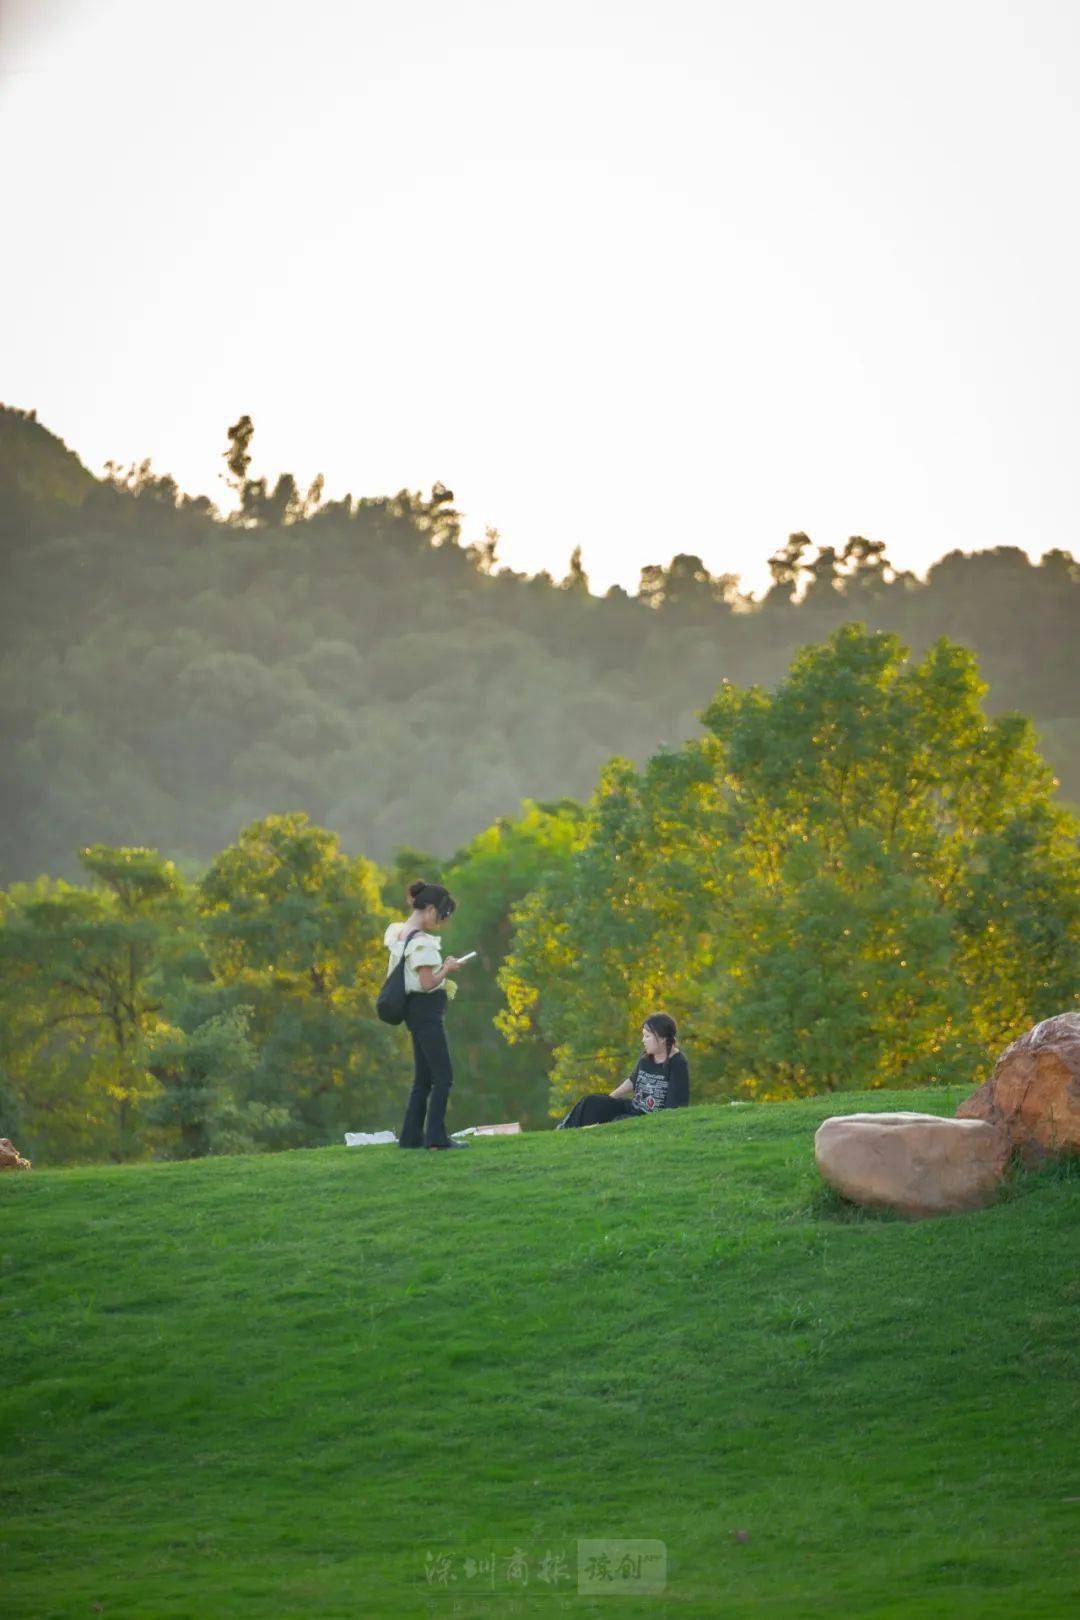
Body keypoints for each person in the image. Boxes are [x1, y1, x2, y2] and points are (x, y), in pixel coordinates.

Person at [384, 880, 469, 1150]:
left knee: (423, 1078)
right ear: (431, 909)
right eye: (442, 916)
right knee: (443, 1076)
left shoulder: (400, 932)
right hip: (426, 1012)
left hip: (412, 1011)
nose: (441, 922)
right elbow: (427, 982)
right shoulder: (422, 943)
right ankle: (436, 1137)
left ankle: (410, 1136)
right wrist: (448, 968)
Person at [555, 1013, 689, 1129]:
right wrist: (607, 1100)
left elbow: (674, 1109)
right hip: (633, 1107)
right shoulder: (646, 1058)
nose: (643, 1040)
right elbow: (632, 1081)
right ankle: (564, 1130)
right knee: (591, 1101)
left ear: (661, 1039)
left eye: (647, 1036)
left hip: (647, 1117)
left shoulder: (677, 1064)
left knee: (618, 1122)